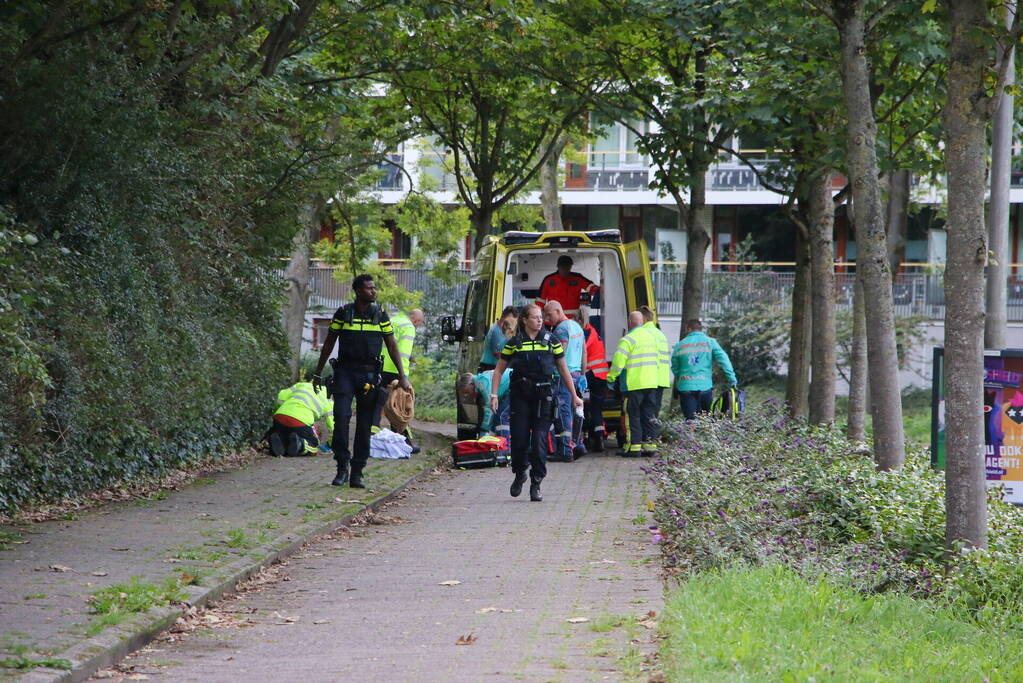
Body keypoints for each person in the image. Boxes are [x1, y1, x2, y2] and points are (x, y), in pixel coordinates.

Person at [312, 274, 412, 489]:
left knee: (365, 425)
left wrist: (402, 376)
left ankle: (357, 471)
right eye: (369, 288)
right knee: (341, 419)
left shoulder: (380, 315)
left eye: (374, 288)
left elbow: (392, 345)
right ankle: (341, 468)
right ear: (357, 291)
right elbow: (329, 343)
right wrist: (318, 372)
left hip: (369, 374)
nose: (373, 291)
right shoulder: (343, 313)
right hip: (345, 372)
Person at [491, 304, 583, 502]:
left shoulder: (551, 341)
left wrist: (574, 396)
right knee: (519, 440)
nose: (539, 320)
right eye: (534, 317)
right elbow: (498, 370)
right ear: (524, 320)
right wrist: (494, 394)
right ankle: (520, 473)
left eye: (541, 317)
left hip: (543, 395)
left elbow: (564, 369)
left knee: (540, 441)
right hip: (521, 396)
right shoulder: (514, 343)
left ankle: (536, 482)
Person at [606, 311, 660, 457]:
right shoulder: (652, 338)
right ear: (642, 322)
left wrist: (611, 378)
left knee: (632, 416)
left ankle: (633, 447)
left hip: (634, 385)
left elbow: (618, 363)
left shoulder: (627, 340)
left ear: (630, 322)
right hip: (651, 383)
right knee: (649, 415)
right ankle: (650, 447)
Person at [374, 308, 425, 454]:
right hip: (395, 370)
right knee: (400, 406)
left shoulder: (392, 320)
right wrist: (404, 377)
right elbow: (403, 353)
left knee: (376, 403)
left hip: (379, 367)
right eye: (419, 323)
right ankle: (404, 442)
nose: (418, 326)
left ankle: (373, 439)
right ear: (415, 320)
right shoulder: (409, 327)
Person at [543, 301, 587, 461]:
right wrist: (583, 374)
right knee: (574, 412)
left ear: (558, 310)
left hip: (563, 375)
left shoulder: (561, 329)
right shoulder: (576, 326)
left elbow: (560, 354)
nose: (548, 319)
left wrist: (548, 369)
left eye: (549, 314)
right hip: (575, 374)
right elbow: (584, 351)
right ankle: (577, 444)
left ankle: (566, 451)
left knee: (563, 412)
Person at [671, 319, 738, 420]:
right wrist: (732, 378)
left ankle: (691, 434)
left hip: (686, 387)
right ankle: (704, 435)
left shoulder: (679, 345)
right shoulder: (710, 342)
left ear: (688, 329)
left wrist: (681, 377)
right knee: (706, 420)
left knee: (690, 421)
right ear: (700, 329)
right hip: (705, 387)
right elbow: (724, 360)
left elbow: (675, 367)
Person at [266, 380, 334, 456]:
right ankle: (301, 444)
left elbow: (280, 396)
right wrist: (332, 444)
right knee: (314, 444)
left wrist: (280, 410)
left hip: (280, 416)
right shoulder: (328, 400)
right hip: (300, 422)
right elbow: (333, 426)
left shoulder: (303, 385)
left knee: (285, 435)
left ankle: (279, 441)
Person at [640, 305, 672, 455]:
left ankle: (649, 444)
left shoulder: (644, 333)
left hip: (650, 378)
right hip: (661, 379)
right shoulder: (660, 334)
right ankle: (652, 442)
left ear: (644, 318)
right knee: (653, 413)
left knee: (646, 412)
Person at [579, 306, 610, 451]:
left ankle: (587, 438)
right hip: (601, 376)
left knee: (583, 406)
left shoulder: (585, 333)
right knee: (596, 407)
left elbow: (580, 349)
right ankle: (599, 437)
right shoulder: (593, 331)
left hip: (591, 375)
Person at [535, 255, 600, 319]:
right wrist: (539, 316)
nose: (565, 270)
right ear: (558, 266)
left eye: (567, 267)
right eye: (563, 267)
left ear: (570, 267)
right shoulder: (548, 280)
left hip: (573, 320)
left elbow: (591, 287)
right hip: (553, 321)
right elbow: (540, 300)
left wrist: (600, 290)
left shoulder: (577, 278)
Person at [478, 307, 518, 371]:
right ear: (504, 317)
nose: (512, 323)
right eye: (511, 320)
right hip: (489, 367)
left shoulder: (506, 330)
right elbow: (497, 354)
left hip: (496, 367)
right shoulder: (495, 330)